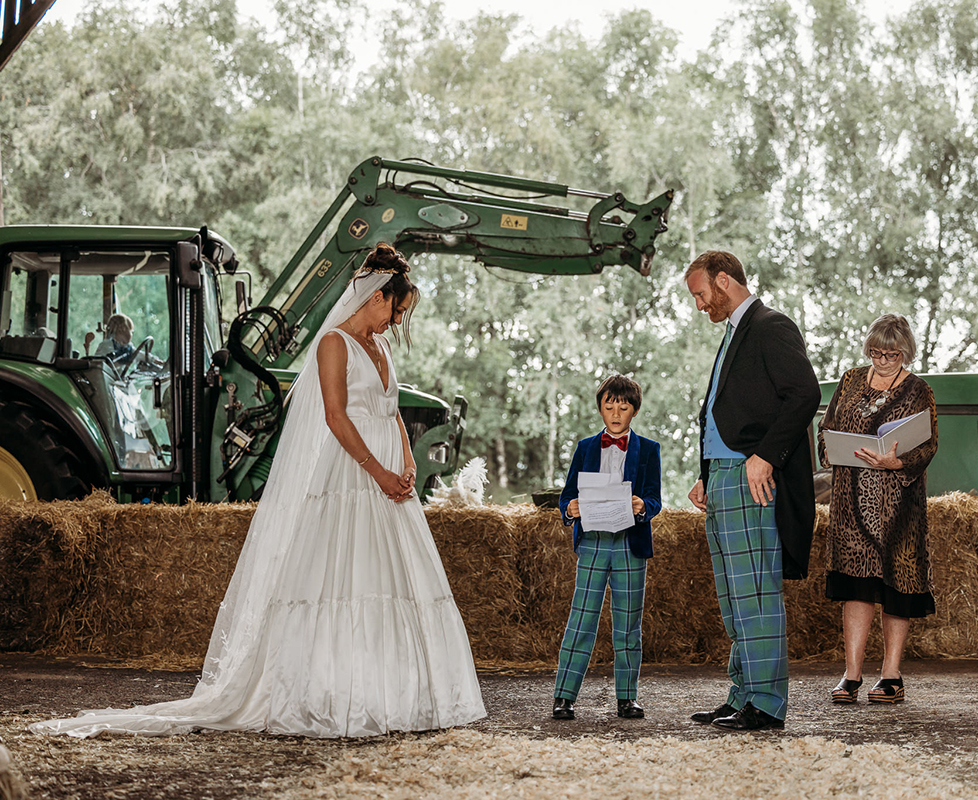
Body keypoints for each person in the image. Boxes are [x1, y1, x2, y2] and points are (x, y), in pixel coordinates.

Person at [31, 243, 486, 738]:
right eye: (395, 311)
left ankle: (395, 693)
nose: (394, 323)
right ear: (376, 297)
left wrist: (407, 460)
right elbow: (335, 418)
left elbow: (392, 409)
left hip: (388, 481)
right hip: (351, 474)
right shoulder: (335, 344)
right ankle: (335, 693)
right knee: (338, 580)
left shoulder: (382, 348)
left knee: (394, 582)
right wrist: (377, 470)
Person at [684, 250, 821, 731]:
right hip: (724, 476)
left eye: (701, 294)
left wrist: (765, 455)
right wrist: (708, 469)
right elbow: (733, 409)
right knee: (733, 595)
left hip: (751, 476)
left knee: (756, 592)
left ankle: (765, 704)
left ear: (724, 281)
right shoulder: (734, 334)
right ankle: (742, 694)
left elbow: (805, 393)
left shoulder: (770, 325)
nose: (700, 305)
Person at [817, 314, 938, 705]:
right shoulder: (851, 380)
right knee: (856, 586)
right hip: (851, 501)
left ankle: (891, 676)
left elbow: (928, 444)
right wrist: (830, 449)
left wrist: (897, 463)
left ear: (906, 352)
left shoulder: (920, 390)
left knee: (895, 586)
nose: (883, 360)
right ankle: (851, 675)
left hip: (899, 505)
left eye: (891, 354)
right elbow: (827, 426)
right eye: (876, 352)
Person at [552, 375, 662, 721]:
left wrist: (642, 506)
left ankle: (626, 698)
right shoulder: (585, 447)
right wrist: (569, 508)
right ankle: (564, 697)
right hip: (594, 543)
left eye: (623, 406)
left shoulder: (650, 449)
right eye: (609, 405)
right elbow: (567, 494)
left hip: (631, 545)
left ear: (635, 410)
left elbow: (655, 499)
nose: (616, 412)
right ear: (600, 407)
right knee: (581, 620)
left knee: (628, 624)